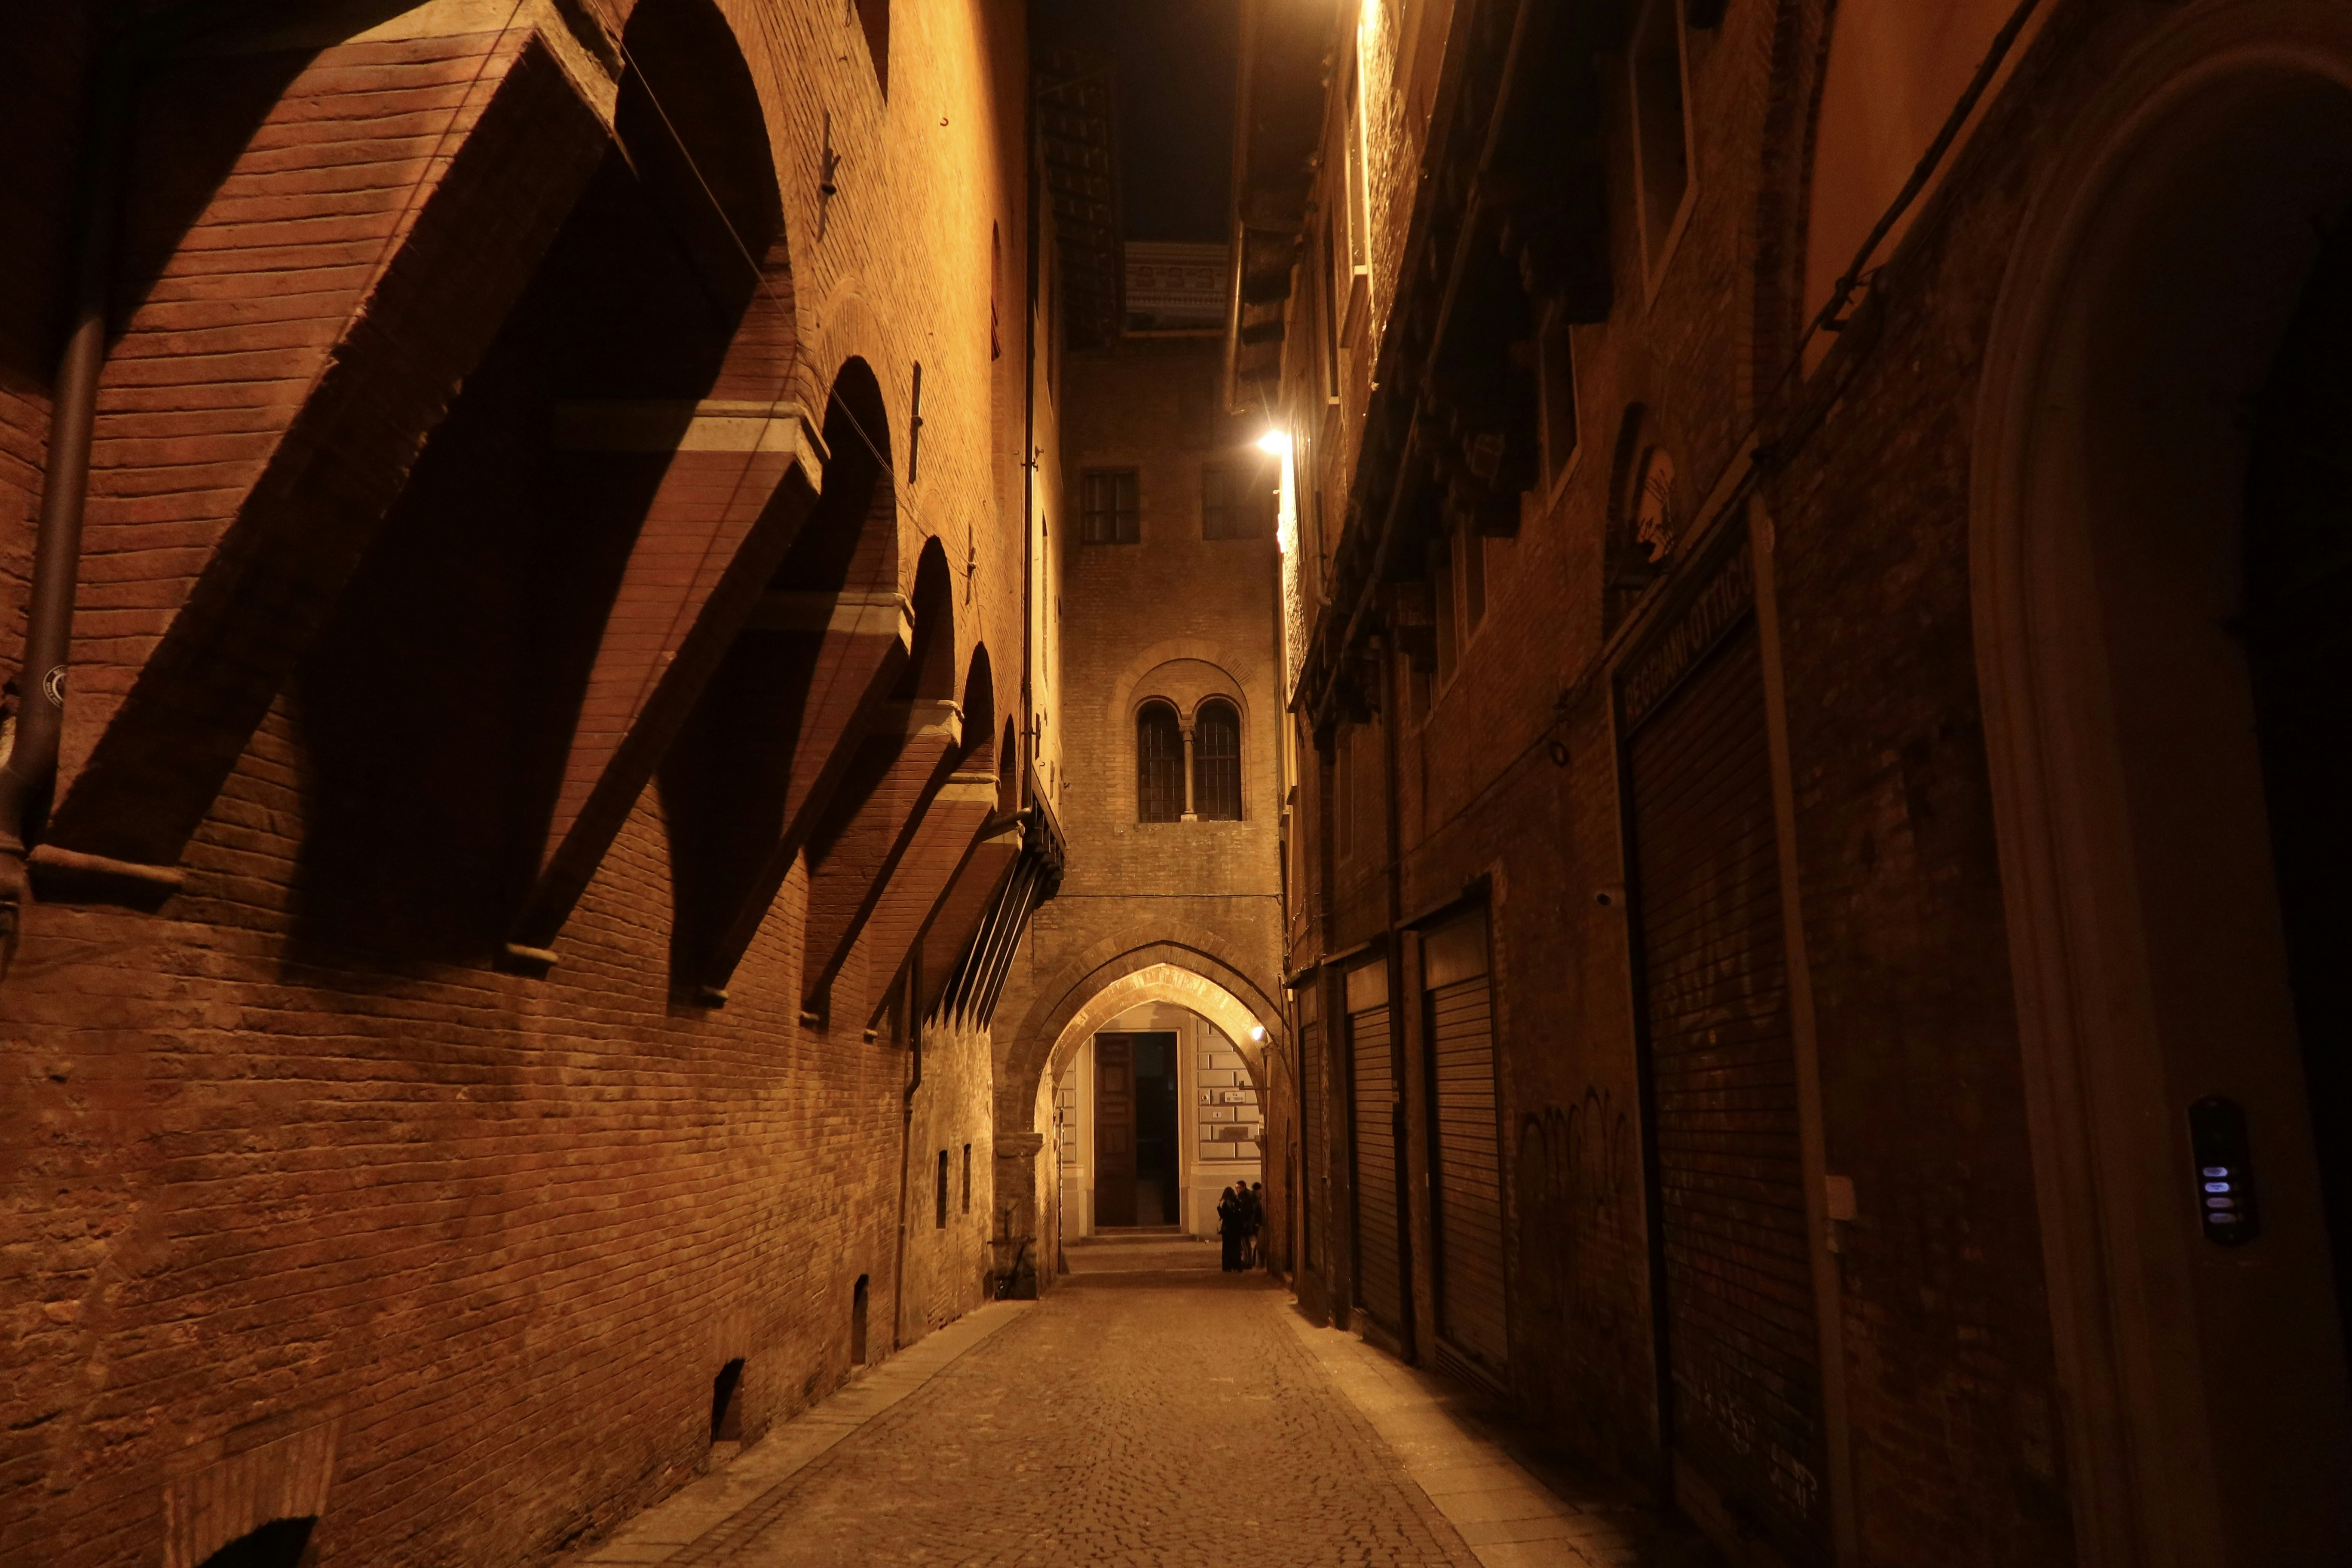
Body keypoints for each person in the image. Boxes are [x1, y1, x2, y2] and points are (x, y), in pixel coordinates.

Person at [1216, 1182, 1245, 1271]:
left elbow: (1223, 1216)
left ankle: (1228, 1266)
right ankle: (1238, 1266)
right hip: (1236, 1229)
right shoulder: (1237, 1202)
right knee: (1236, 1248)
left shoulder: (1225, 1205)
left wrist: (1219, 1207)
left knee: (1227, 1249)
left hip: (1228, 1229)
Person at [1247, 1181, 1267, 1270]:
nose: (1261, 1192)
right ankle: (1257, 1261)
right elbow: (1254, 1212)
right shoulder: (1255, 1201)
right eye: (1260, 1191)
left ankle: (1256, 1261)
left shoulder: (1255, 1199)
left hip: (1257, 1224)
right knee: (1259, 1243)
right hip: (1257, 1224)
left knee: (1259, 1243)